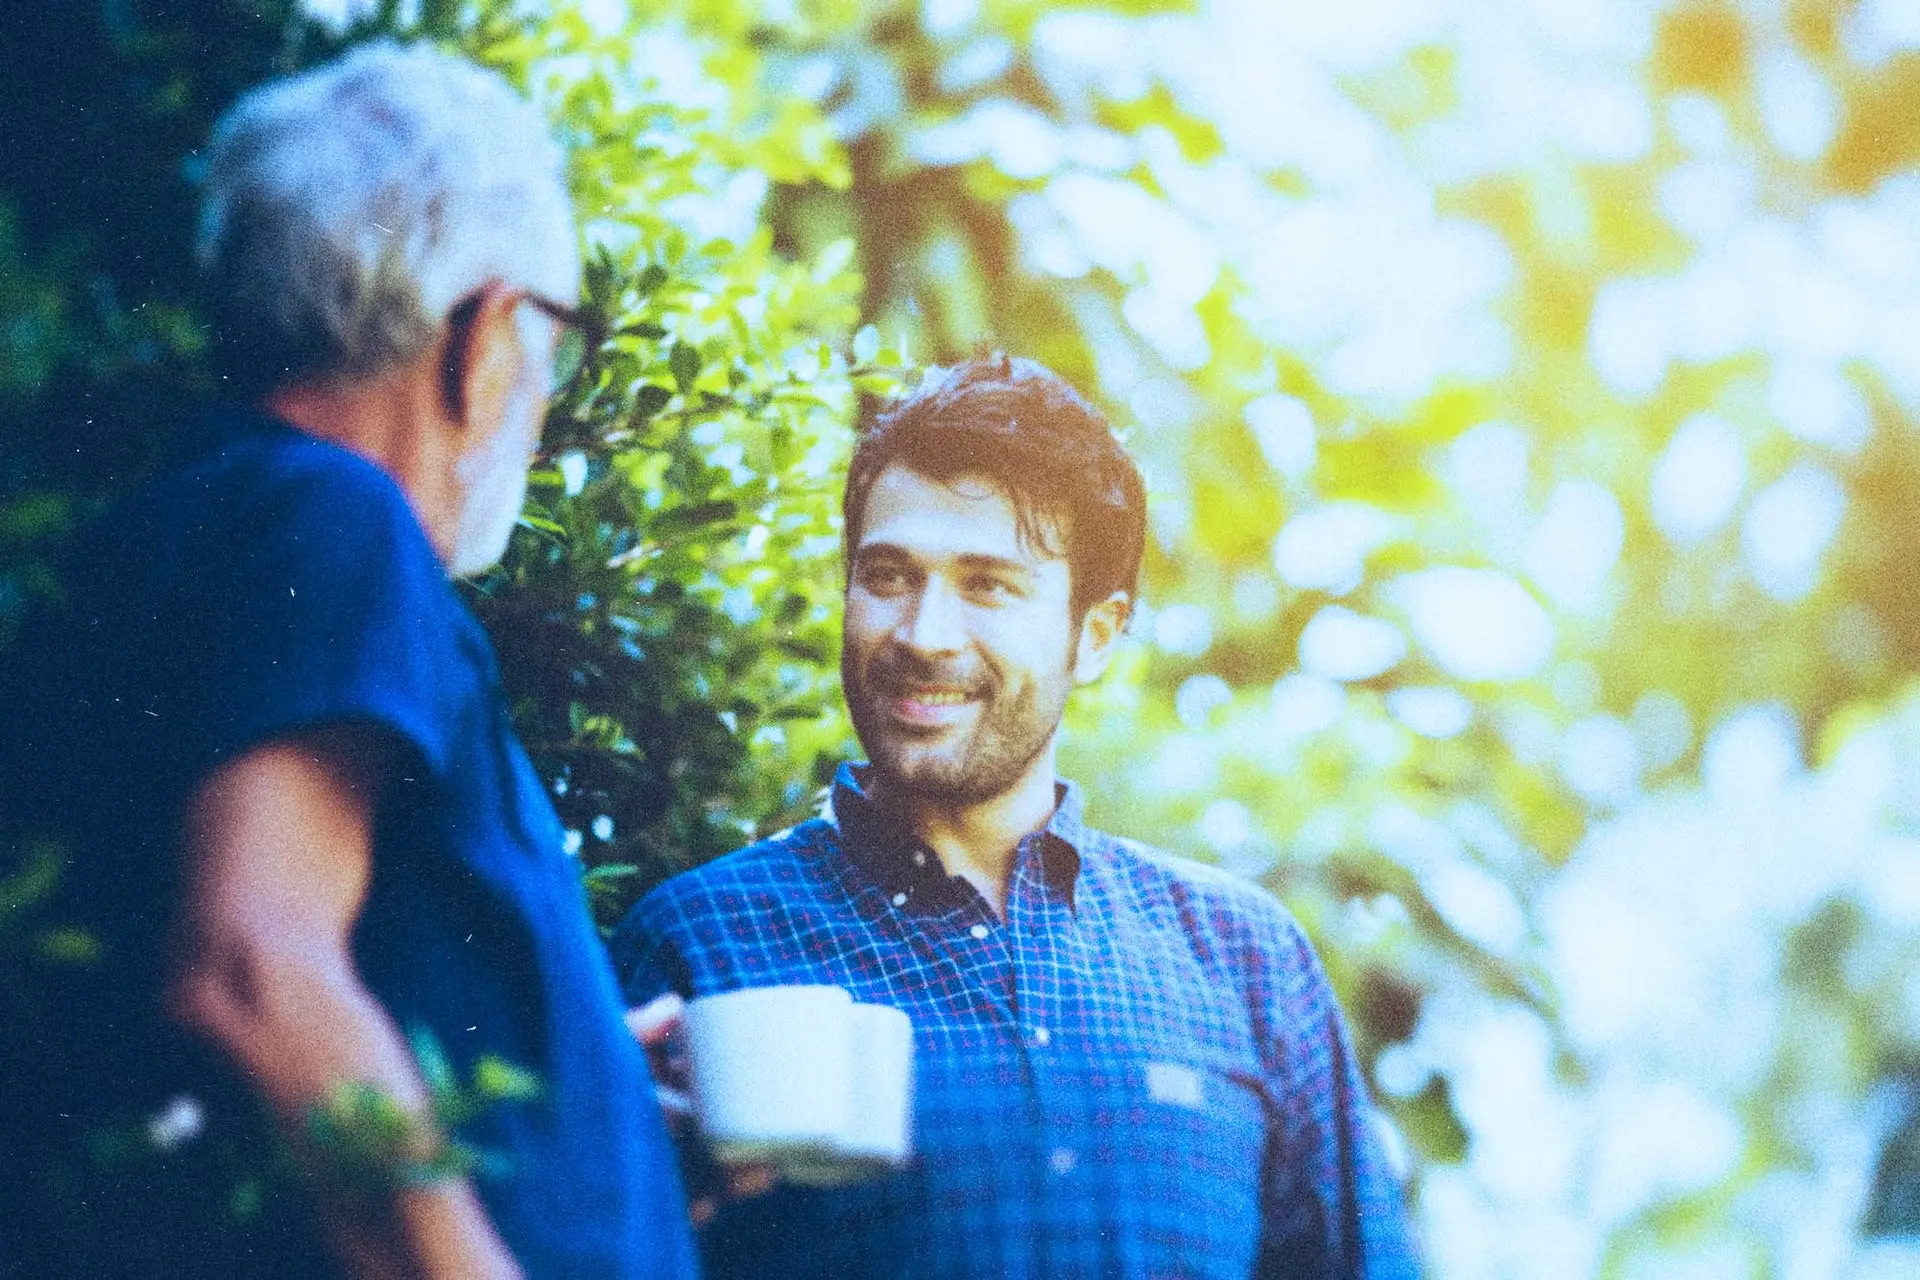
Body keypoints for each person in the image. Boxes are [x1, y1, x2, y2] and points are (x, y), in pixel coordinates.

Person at [0, 45, 697, 1278]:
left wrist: (577, 1086)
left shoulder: (203, 521)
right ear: (480, 335)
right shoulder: (334, 517)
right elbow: (252, 970)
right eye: (553, 341)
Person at [610, 356, 1420, 1278]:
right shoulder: (698, 945)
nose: (923, 634)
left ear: (1097, 634)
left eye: (988, 584)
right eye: (888, 575)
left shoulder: (1245, 963)